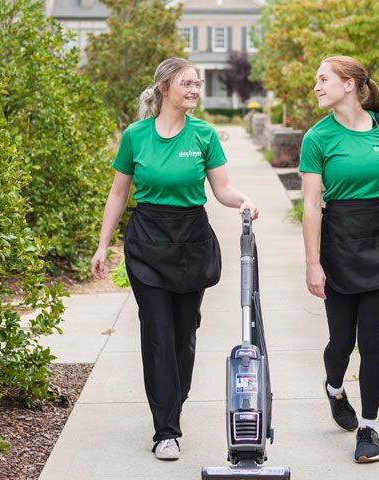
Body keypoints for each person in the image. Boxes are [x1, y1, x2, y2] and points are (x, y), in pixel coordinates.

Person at [90, 57, 258, 461]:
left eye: (198, 84)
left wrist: (244, 201)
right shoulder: (136, 136)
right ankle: (165, 428)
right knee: (158, 336)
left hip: (191, 241)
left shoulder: (203, 135)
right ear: (164, 88)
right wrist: (102, 244)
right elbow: (118, 194)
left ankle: (173, 399)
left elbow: (222, 189)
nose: (195, 90)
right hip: (147, 240)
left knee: (184, 334)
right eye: (187, 83)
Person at [299, 56, 379, 463]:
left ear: (350, 84)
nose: (316, 86)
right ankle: (335, 388)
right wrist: (312, 262)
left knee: (371, 341)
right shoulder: (317, 138)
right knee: (342, 342)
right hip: (338, 243)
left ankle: (369, 428)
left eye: (324, 79)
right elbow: (312, 205)